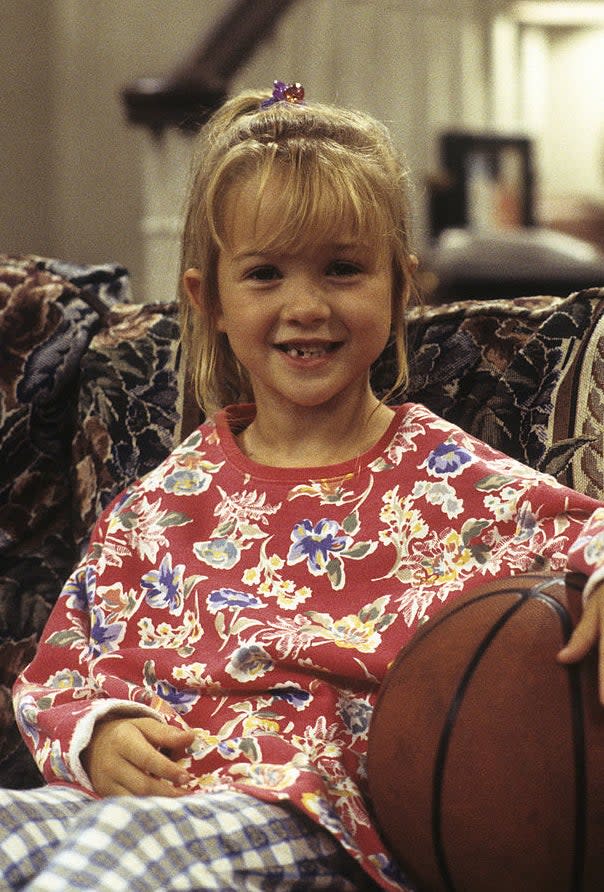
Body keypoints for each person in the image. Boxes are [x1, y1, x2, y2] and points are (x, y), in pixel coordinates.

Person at [1, 80, 603, 891]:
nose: (306, 305)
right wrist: (97, 733)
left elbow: (585, 532)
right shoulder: (160, 501)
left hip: (308, 815)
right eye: (265, 275)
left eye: (344, 269)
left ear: (400, 289)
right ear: (206, 299)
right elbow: (59, 668)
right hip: (134, 801)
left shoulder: (450, 479)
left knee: (121, 852)